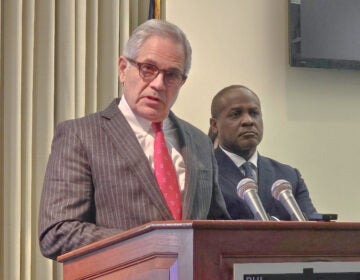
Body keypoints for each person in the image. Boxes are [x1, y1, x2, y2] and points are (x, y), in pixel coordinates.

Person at [39, 19, 229, 260]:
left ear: (182, 82)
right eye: (148, 68)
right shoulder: (80, 135)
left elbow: (219, 226)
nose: (158, 84)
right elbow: (58, 233)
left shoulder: (200, 142)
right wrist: (151, 244)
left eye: (171, 75)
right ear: (122, 69)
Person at [209, 85, 316, 220]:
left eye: (254, 113)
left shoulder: (288, 176)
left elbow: (314, 230)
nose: (248, 121)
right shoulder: (204, 173)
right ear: (214, 125)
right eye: (236, 114)